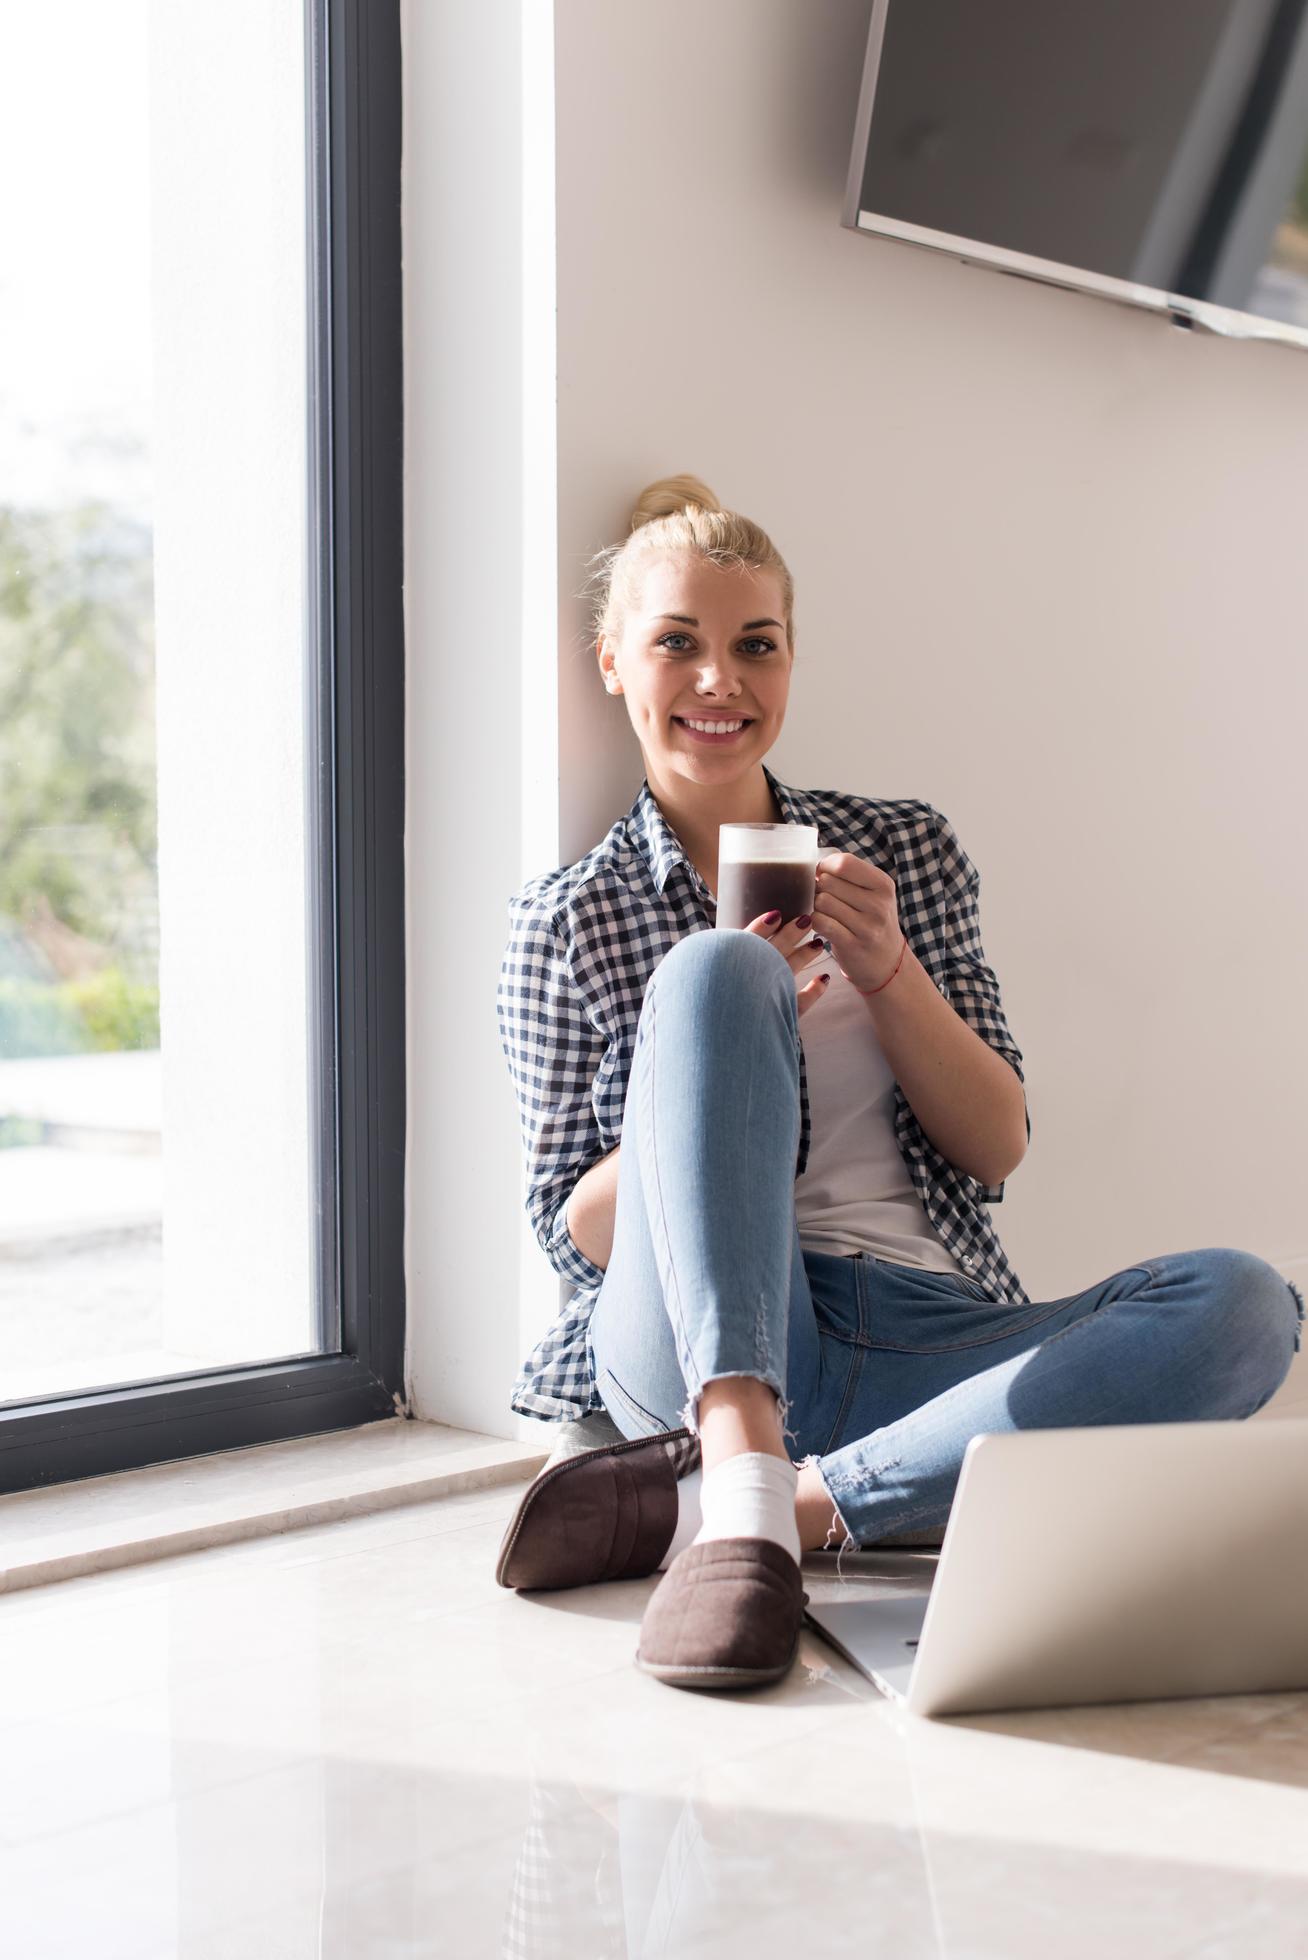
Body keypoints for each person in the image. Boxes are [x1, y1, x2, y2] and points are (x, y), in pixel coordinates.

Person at [494, 473, 1304, 1691]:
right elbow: (575, 1237)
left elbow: (996, 1147)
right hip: (708, 1334)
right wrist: (709, 1034)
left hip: (931, 1330)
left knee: (1248, 1304)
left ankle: (762, 1512)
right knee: (717, 976)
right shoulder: (568, 920)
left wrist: (891, 974)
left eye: (754, 646)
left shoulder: (905, 852)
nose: (720, 680)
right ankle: (741, 1449)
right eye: (677, 645)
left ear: (791, 661)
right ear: (613, 663)